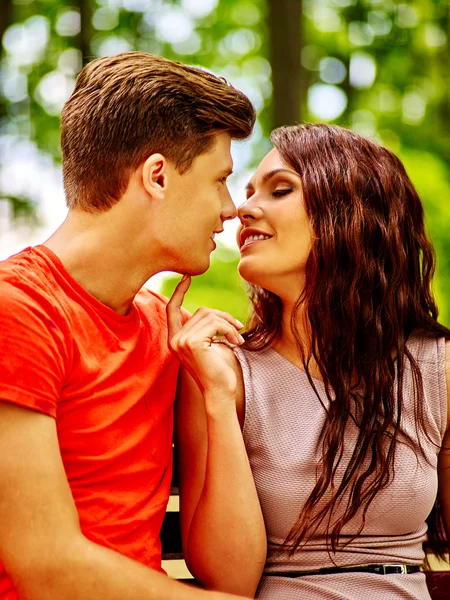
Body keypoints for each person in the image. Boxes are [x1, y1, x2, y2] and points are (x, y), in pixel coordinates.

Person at [0, 51, 265, 600]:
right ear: (159, 176)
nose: (231, 208)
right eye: (220, 180)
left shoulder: (171, 335)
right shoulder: (18, 312)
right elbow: (46, 567)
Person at [169, 123, 450, 599]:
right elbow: (228, 581)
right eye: (247, 193)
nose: (243, 210)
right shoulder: (224, 374)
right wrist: (218, 399)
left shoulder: (436, 367)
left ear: (351, 212)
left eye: (280, 190)